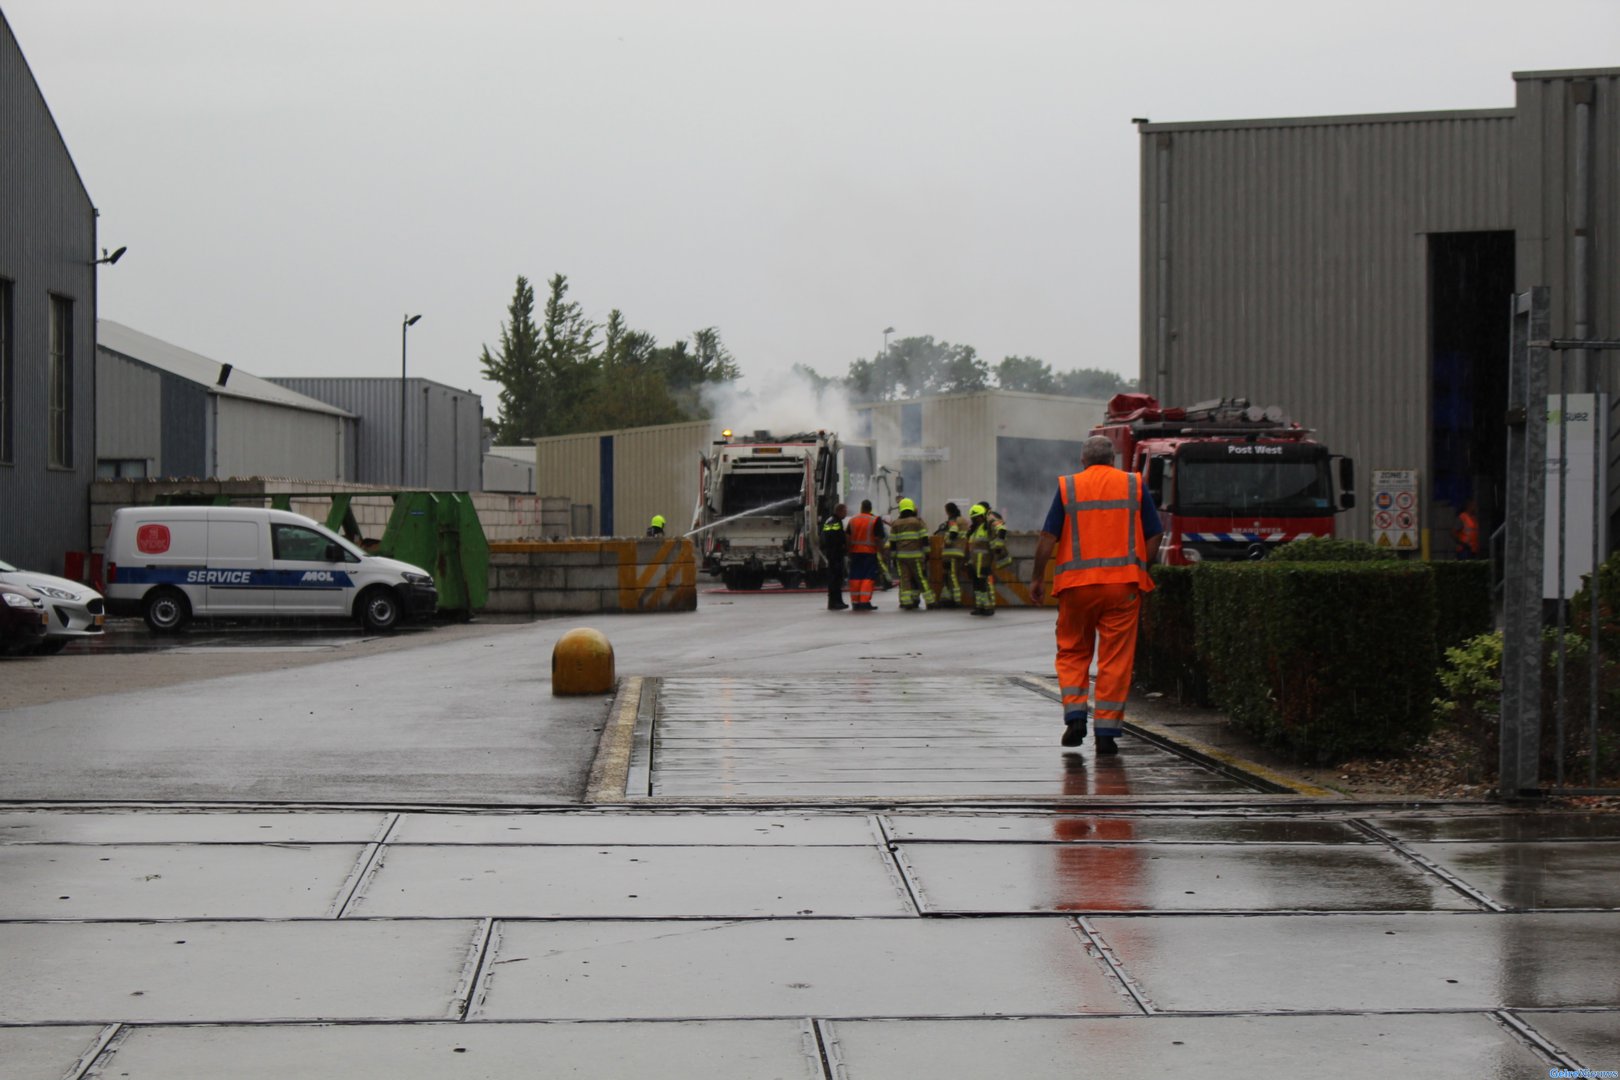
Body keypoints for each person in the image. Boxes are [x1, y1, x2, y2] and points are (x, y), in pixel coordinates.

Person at [1030, 435, 1163, 754]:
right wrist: (1140, 568)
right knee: (1115, 659)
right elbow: (1155, 533)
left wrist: (1037, 578)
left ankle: (1075, 715)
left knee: (1073, 651)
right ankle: (1106, 733)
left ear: (1083, 461)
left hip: (1076, 588)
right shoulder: (1133, 485)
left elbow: (1048, 538)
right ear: (1113, 460)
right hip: (1123, 587)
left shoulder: (1068, 487)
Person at [887, 498, 936, 610]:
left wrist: (893, 557)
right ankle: (930, 601)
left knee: (904, 579)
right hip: (916, 557)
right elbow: (924, 539)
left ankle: (906, 602)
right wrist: (927, 553)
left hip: (901, 558)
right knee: (921, 578)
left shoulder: (896, 524)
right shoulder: (917, 522)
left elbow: (892, 542)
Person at [845, 499, 885, 611]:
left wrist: (849, 551)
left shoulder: (853, 520)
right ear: (870, 508)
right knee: (868, 577)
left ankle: (855, 602)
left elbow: (847, 537)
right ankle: (864, 601)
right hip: (869, 553)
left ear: (861, 508)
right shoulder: (875, 520)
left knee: (855, 577)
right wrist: (881, 551)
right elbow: (878, 538)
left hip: (855, 553)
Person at [934, 502, 968, 608]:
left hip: (952, 552)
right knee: (955, 575)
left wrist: (947, 540)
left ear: (948, 511)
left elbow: (953, 532)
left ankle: (956, 600)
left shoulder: (953, 521)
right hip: (960, 551)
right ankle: (954, 598)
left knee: (952, 576)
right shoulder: (963, 520)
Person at [966, 503, 997, 616]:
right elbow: (971, 548)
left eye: (977, 517)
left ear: (982, 516)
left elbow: (995, 542)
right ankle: (979, 606)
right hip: (974, 562)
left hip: (984, 562)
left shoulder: (987, 528)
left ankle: (988, 607)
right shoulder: (974, 530)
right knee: (977, 586)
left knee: (983, 585)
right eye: (973, 518)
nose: (975, 520)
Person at [821, 502, 849, 610]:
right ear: (840, 511)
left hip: (832, 554)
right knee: (836, 579)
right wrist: (843, 546)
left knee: (836, 578)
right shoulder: (835, 522)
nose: (846, 514)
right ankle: (834, 602)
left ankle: (837, 601)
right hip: (835, 555)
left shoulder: (830, 520)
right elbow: (836, 538)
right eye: (845, 511)